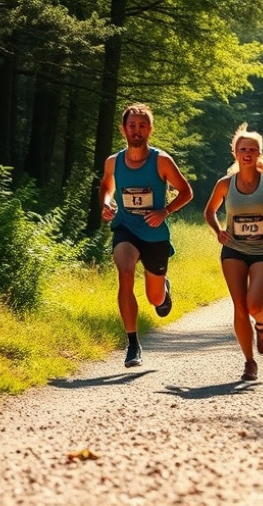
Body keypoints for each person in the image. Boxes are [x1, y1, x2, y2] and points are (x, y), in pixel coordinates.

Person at [100, 103, 194, 368]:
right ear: (124, 129)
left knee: (155, 300)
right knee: (125, 271)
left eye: (142, 126)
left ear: (150, 129)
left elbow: (186, 192)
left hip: (154, 234)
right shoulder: (113, 162)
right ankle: (132, 344)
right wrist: (106, 203)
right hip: (126, 228)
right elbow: (106, 185)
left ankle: (163, 289)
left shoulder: (161, 160)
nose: (137, 130)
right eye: (132, 125)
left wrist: (165, 210)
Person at [203, 124, 263, 381]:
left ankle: (262, 323)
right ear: (235, 153)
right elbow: (209, 211)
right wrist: (217, 230)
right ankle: (249, 362)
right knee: (239, 306)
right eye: (243, 149)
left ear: (259, 154)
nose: (247, 153)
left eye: (252, 150)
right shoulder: (225, 184)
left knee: (253, 304)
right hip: (233, 249)